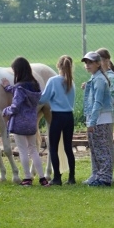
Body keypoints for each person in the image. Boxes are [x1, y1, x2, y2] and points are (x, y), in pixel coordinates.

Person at [1, 57, 49, 187]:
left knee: (23, 151)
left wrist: (4, 111)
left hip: (19, 124)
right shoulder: (35, 85)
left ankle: (27, 178)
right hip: (32, 122)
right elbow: (21, 93)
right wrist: (9, 88)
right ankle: (42, 178)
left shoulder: (19, 87)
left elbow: (15, 106)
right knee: (33, 150)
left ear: (18, 71)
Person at [39, 55, 76, 186]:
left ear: (58, 66)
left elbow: (43, 99)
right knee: (68, 147)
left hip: (57, 116)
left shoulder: (53, 81)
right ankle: (72, 177)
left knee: (53, 147)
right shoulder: (72, 82)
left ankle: (57, 178)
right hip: (69, 117)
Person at [82, 51, 114, 187]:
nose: (87, 65)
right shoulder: (95, 78)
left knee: (102, 148)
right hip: (96, 118)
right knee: (95, 148)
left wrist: (92, 122)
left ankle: (105, 177)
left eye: (90, 62)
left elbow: (98, 102)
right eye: (86, 63)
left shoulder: (100, 80)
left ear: (98, 63)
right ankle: (96, 174)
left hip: (101, 119)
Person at [96, 47, 114, 182]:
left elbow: (111, 99)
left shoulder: (111, 78)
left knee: (106, 146)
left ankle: (107, 175)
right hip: (101, 116)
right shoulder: (102, 77)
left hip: (106, 116)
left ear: (106, 61)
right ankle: (100, 173)